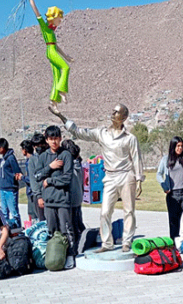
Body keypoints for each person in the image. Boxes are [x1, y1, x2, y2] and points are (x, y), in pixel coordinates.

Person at [49, 103, 144, 253]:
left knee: (129, 211)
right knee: (105, 211)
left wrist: (139, 179)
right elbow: (78, 132)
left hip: (126, 176)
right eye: (112, 110)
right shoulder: (102, 133)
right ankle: (107, 243)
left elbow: (137, 158)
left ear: (124, 117)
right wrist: (60, 115)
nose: (113, 113)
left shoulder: (130, 138)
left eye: (117, 112)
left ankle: (127, 241)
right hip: (110, 177)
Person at [22, 0, 72, 105]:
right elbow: (36, 11)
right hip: (50, 51)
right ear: (53, 18)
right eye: (59, 19)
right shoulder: (45, 28)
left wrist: (66, 56)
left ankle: (54, 102)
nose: (60, 21)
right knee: (66, 67)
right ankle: (62, 91)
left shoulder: (52, 32)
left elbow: (56, 46)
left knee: (57, 74)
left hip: (53, 50)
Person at [35, 125, 75, 268]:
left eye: (56, 138)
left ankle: (70, 255)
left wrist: (49, 180)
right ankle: (53, 257)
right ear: (46, 140)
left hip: (63, 200)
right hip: (48, 201)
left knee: (66, 229)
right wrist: (50, 167)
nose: (54, 142)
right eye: (51, 139)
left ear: (60, 138)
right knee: (51, 230)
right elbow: (37, 176)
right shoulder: (43, 157)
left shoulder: (66, 155)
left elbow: (67, 178)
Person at [157, 136, 183, 240]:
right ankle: (175, 243)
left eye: (181, 146)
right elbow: (159, 174)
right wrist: (164, 186)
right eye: (178, 146)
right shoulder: (166, 159)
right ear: (173, 146)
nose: (180, 148)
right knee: (173, 221)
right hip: (172, 194)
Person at [62, 139, 86, 255]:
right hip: (78, 197)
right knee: (78, 222)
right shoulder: (78, 164)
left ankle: (77, 246)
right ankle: (83, 241)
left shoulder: (70, 166)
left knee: (72, 225)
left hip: (72, 199)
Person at [0, 138, 23, 228]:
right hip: (3, 188)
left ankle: (18, 230)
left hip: (10, 189)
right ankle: (6, 231)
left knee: (14, 213)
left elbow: (17, 172)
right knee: (4, 213)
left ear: (2, 147)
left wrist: (12, 180)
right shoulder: (3, 158)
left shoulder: (11, 158)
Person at [28, 133, 47, 221]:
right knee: (42, 220)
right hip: (39, 195)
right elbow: (33, 180)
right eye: (36, 145)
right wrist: (39, 196)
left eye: (41, 144)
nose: (39, 147)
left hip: (51, 194)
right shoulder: (33, 160)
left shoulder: (49, 156)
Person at [20, 140, 36, 222]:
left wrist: (22, 177)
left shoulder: (31, 161)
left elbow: (31, 179)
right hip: (31, 192)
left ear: (25, 150)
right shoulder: (29, 160)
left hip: (33, 192)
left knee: (33, 214)